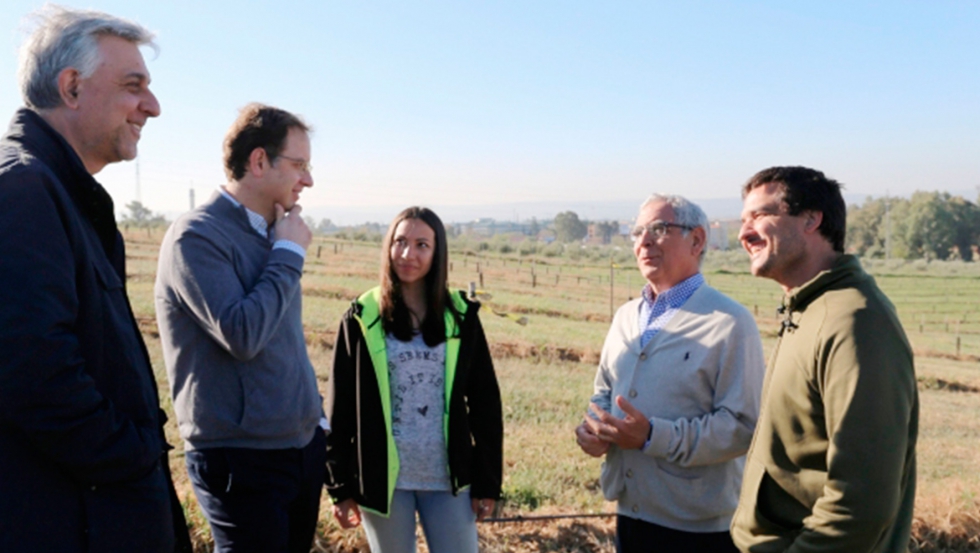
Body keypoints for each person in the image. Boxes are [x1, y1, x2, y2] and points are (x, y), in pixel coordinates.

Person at [0, 5, 191, 552]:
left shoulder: (61, 193)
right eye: (135, 86)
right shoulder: (23, 191)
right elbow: (34, 375)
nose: (152, 107)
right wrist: (133, 456)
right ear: (72, 86)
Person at [154, 103, 326, 553]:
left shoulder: (272, 232)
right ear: (258, 161)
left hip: (299, 448)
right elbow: (243, 334)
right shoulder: (197, 237)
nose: (307, 179)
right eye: (299, 165)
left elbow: (283, 342)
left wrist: (315, 420)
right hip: (241, 460)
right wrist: (288, 253)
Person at [730, 166, 918, 552]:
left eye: (760, 215)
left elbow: (860, 503)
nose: (743, 233)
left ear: (812, 219)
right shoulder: (806, 308)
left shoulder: (855, 322)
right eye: (743, 218)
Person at [576, 194, 765, 553]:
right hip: (630, 512)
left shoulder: (730, 322)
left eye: (660, 229)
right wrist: (594, 428)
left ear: (697, 240)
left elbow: (742, 427)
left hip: (697, 526)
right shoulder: (626, 316)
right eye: (637, 232)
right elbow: (603, 392)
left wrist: (651, 437)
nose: (644, 241)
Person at [326, 206, 503, 553]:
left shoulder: (461, 317)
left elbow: (485, 404)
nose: (408, 254)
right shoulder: (361, 317)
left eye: (422, 244)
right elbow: (341, 407)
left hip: (448, 481)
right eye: (400, 241)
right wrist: (339, 487)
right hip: (383, 484)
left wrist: (488, 482)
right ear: (388, 247)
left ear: (437, 252)